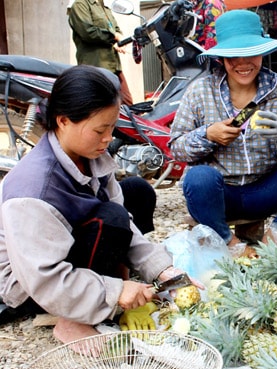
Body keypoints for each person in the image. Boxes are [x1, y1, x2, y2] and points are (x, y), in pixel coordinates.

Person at [0, 65, 201, 347]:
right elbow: (44, 278)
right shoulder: (32, 190)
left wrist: (162, 270)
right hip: (31, 286)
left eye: (111, 127)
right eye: (99, 129)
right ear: (63, 121)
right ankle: (72, 321)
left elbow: (127, 223)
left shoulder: (90, 155)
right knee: (111, 217)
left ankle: (108, 288)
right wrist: (115, 291)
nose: (108, 138)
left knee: (137, 191)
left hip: (66, 251)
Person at [169, 10, 277, 255]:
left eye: (251, 53)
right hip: (221, 195)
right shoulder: (200, 91)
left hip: (265, 190)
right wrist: (208, 135)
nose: (243, 63)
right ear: (221, 58)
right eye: (233, 56)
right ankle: (230, 243)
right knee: (199, 178)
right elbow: (175, 146)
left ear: (262, 52)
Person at [68, 0, 134, 106]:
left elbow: (116, 29)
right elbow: (88, 32)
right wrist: (113, 37)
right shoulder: (80, 5)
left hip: (113, 65)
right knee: (101, 107)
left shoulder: (104, 7)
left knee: (128, 106)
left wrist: (117, 42)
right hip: (95, 66)